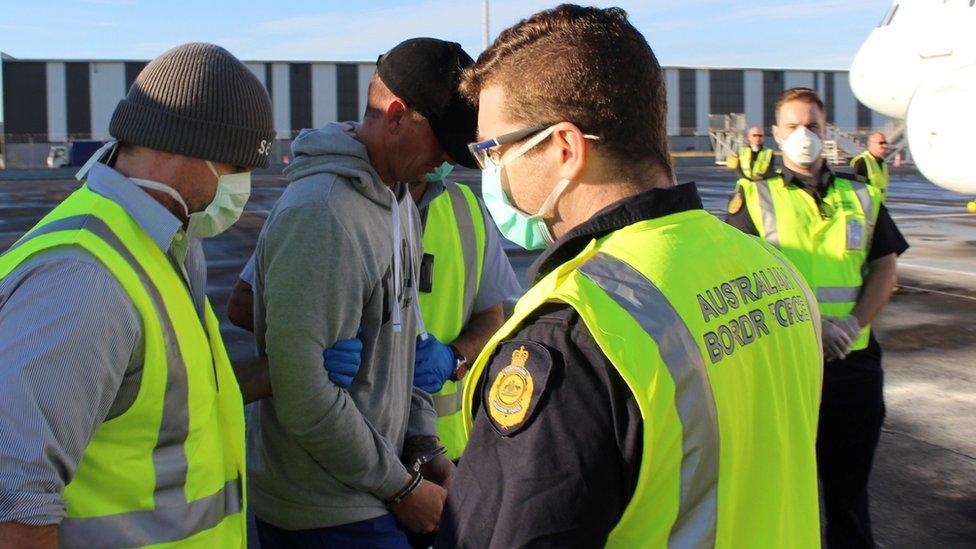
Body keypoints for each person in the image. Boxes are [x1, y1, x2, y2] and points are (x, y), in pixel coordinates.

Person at [437, 6, 824, 547]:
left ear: (566, 150)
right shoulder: (772, 269)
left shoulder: (576, 337)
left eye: (492, 152)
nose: (490, 173)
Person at [0, 43, 274, 547]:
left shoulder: (170, 242)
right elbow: (14, 504)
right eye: (234, 166)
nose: (242, 185)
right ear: (170, 145)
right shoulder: (84, 280)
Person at [245, 38, 477, 547]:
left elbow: (406, 349)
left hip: (377, 488)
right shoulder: (323, 212)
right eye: (441, 143)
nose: (445, 162)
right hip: (325, 510)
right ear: (396, 115)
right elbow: (306, 396)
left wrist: (424, 448)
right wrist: (402, 490)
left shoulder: (398, 202)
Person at [227, 161, 520, 460]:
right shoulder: (329, 203)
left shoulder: (466, 209)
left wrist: (454, 358)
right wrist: (315, 339)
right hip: (345, 445)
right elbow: (243, 303)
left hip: (442, 454)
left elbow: (492, 318)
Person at [727, 87, 908, 548]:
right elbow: (734, 277)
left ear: (825, 131)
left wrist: (851, 325)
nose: (803, 135)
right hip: (784, 366)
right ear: (775, 133)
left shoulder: (861, 196)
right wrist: (808, 328)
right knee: (783, 494)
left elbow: (885, 269)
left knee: (849, 495)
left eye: (812, 125)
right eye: (792, 126)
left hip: (853, 365)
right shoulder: (753, 197)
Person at [851, 132, 891, 201]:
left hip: (878, 204)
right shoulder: (861, 161)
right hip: (865, 206)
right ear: (871, 144)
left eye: (885, 143)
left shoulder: (882, 162)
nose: (884, 146)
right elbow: (854, 187)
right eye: (881, 143)